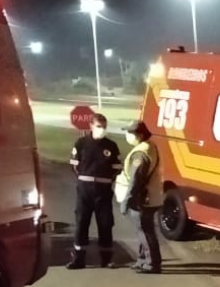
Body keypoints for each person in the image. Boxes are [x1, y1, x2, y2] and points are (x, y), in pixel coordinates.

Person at [67, 113, 122, 269]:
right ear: (91, 126)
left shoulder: (111, 146)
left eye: (104, 127)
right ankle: (79, 259)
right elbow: (74, 165)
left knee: (105, 224)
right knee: (81, 223)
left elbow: (116, 168)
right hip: (84, 191)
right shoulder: (81, 143)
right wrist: (85, 179)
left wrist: (106, 180)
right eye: (99, 126)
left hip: (103, 191)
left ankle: (106, 259)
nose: (102, 129)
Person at [116, 119, 165, 274]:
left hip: (143, 198)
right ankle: (143, 260)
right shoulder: (149, 146)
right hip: (151, 196)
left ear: (140, 134)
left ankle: (152, 263)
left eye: (130, 132)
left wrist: (126, 201)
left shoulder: (140, 154)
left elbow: (136, 180)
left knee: (145, 231)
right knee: (142, 230)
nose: (127, 135)